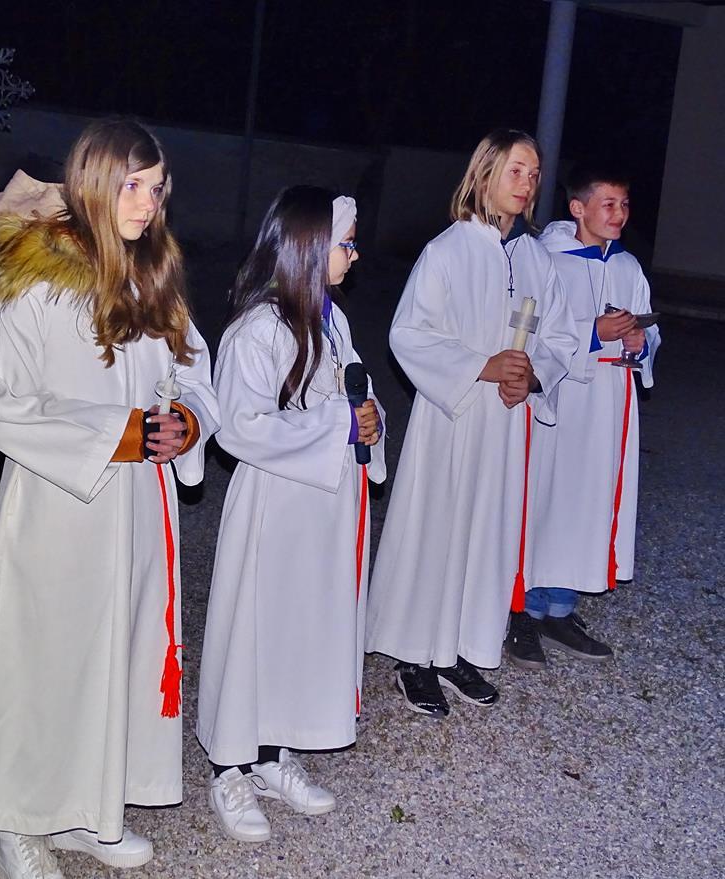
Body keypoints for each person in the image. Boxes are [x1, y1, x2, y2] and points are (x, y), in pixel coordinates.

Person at [0, 118, 219, 879]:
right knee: (46, 656)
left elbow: (194, 371)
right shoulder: (38, 281)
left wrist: (188, 420)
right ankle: (17, 819)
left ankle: (89, 807)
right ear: (93, 183)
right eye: (133, 186)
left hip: (136, 507)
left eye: (158, 188)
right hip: (58, 506)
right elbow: (4, 404)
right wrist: (117, 433)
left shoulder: (153, 276)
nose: (147, 203)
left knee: (115, 652)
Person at [365, 129, 577, 718]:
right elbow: (408, 334)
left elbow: (560, 337)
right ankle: (415, 656)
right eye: (515, 171)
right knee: (437, 528)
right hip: (453, 419)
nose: (527, 183)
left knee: (487, 533)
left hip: (506, 424)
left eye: (534, 174)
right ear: (483, 175)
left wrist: (532, 376)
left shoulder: (536, 258)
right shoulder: (447, 250)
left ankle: (459, 647)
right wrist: (482, 367)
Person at [197, 187, 386, 842]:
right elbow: (239, 427)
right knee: (256, 625)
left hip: (322, 510)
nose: (354, 255)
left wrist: (369, 421)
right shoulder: (258, 330)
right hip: (273, 508)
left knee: (298, 626)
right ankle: (229, 765)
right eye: (345, 244)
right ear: (307, 247)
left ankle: (273, 751)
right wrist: (338, 425)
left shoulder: (333, 322)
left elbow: (354, 391)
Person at [506, 163, 660, 668]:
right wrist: (593, 332)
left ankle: (559, 608)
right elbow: (528, 329)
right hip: (561, 399)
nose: (620, 214)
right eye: (608, 204)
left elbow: (649, 332)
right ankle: (522, 611)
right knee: (546, 497)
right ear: (578, 208)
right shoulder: (545, 260)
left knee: (588, 500)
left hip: (609, 401)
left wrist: (639, 341)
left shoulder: (628, 267)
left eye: (625, 204)